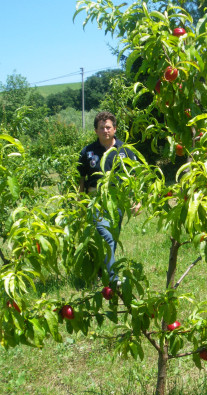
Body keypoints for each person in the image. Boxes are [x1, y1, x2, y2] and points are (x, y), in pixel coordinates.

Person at [77, 111, 139, 285]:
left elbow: (133, 177)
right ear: (96, 130)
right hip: (94, 200)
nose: (105, 130)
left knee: (111, 237)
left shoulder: (124, 150)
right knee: (106, 236)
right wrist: (79, 202)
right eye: (101, 127)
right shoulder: (87, 152)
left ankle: (99, 271)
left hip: (117, 200)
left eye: (108, 127)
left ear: (115, 128)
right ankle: (112, 279)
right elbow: (81, 179)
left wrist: (136, 200)